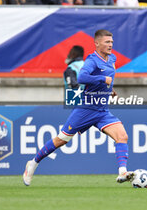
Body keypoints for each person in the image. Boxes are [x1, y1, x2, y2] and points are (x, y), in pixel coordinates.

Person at [23, 29, 134, 186]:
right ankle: (33, 163)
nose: (110, 45)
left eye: (111, 42)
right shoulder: (91, 60)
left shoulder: (112, 58)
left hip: (102, 111)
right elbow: (82, 77)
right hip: (86, 109)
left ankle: (122, 172)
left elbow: (108, 79)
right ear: (97, 43)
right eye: (107, 42)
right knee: (62, 139)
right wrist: (103, 79)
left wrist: (110, 90)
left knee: (122, 136)